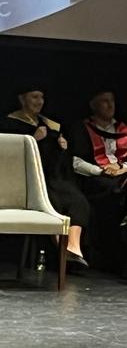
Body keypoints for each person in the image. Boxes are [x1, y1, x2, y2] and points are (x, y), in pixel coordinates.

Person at [0, 86, 90, 269]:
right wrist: (33, 139)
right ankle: (64, 252)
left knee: (78, 201)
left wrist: (63, 149)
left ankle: (74, 247)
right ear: (22, 99)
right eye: (34, 97)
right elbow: (8, 157)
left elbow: (59, 163)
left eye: (41, 97)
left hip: (53, 177)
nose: (39, 101)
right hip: (25, 182)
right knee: (52, 201)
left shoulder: (51, 125)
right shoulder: (10, 123)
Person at [67, 90, 127, 271]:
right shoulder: (81, 128)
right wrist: (100, 170)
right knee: (114, 190)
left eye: (112, 101)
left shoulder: (123, 129)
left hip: (123, 175)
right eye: (104, 101)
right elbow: (74, 160)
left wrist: (120, 168)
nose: (110, 106)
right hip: (93, 179)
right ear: (93, 106)